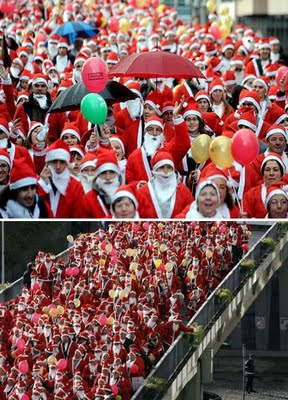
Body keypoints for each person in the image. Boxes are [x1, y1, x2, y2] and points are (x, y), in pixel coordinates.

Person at [38, 139, 84, 218]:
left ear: (67, 163)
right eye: (55, 161)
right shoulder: (39, 182)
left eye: (62, 162)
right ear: (49, 162)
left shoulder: (76, 186)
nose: (58, 167)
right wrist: (42, 184)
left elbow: (78, 215)